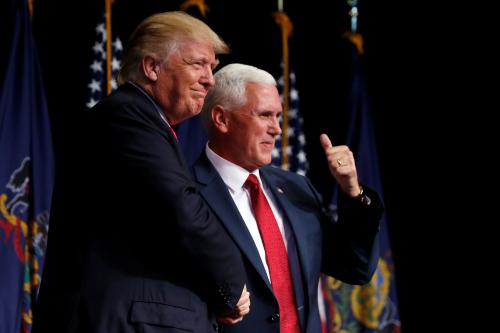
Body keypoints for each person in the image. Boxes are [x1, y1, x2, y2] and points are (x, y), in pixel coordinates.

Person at [33, 12, 250, 333]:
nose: (210, 79)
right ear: (152, 67)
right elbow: (181, 210)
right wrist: (232, 285)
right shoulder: (127, 117)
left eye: (212, 67)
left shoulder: (143, 122)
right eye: (197, 64)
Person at [192, 63, 384, 333]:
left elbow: (355, 268)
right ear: (222, 119)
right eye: (264, 116)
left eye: (278, 117)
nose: (277, 129)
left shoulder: (296, 187)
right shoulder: (186, 193)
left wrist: (353, 192)